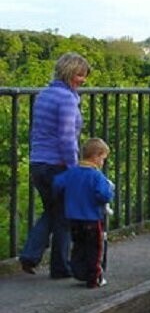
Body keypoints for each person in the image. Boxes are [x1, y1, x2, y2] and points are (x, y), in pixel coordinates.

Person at [19, 53, 91, 278]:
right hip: (57, 164)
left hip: (38, 163)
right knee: (63, 216)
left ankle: (31, 256)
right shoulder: (67, 99)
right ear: (70, 73)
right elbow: (67, 137)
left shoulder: (44, 95)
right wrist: (74, 168)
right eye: (80, 75)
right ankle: (60, 267)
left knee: (53, 210)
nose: (83, 80)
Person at [52, 138, 114, 288]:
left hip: (74, 218)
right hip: (92, 218)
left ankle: (79, 271)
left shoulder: (72, 172)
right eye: (103, 158)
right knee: (95, 249)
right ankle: (94, 278)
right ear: (96, 156)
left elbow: (57, 183)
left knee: (79, 246)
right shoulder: (97, 176)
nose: (102, 163)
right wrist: (110, 189)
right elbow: (103, 195)